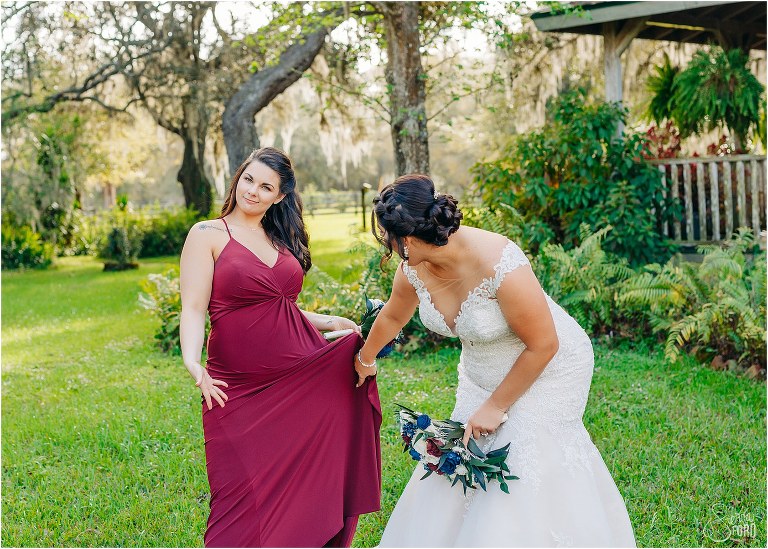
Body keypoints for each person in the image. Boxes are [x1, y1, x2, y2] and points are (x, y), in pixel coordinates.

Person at [354, 174, 636, 547]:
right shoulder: (413, 268)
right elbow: (392, 315)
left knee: (522, 458)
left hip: (549, 366)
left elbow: (544, 344)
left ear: (405, 238)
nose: (385, 244)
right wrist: (365, 358)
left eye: (386, 236)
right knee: (464, 458)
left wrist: (495, 406)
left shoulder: (497, 261)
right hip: (481, 373)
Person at [179, 147, 381, 548]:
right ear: (238, 178)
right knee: (238, 493)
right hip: (237, 385)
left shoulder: (278, 239)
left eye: (265, 187)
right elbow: (194, 307)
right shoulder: (207, 235)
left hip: (300, 373)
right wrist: (192, 363)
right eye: (248, 179)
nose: (252, 191)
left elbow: (278, 307)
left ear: (280, 196)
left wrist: (330, 322)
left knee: (312, 480)